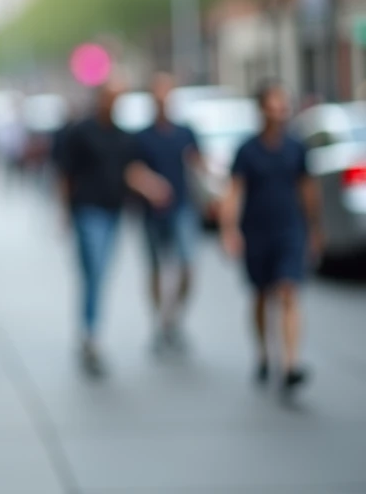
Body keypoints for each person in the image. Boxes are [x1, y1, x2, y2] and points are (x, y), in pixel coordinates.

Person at [56, 78, 171, 377]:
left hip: (113, 212)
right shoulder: (81, 132)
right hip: (87, 210)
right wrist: (64, 211)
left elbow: (131, 171)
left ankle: (90, 330)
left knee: (100, 273)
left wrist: (152, 187)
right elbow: (65, 173)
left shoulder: (123, 137)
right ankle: (91, 335)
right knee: (94, 271)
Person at [221, 81, 323, 394]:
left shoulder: (296, 147)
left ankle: (290, 364)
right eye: (273, 105)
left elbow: (307, 189)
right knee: (262, 295)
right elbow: (234, 191)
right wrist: (229, 229)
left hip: (289, 229)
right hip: (256, 231)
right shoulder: (247, 150)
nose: (280, 111)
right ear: (261, 109)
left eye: (283, 105)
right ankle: (264, 353)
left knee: (289, 291)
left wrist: (315, 228)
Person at [135, 73, 206, 352]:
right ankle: (159, 322)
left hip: (183, 208)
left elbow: (199, 164)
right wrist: (149, 185)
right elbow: (132, 170)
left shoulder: (185, 132)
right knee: (155, 269)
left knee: (187, 265)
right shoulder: (142, 137)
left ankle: (173, 318)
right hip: (152, 213)